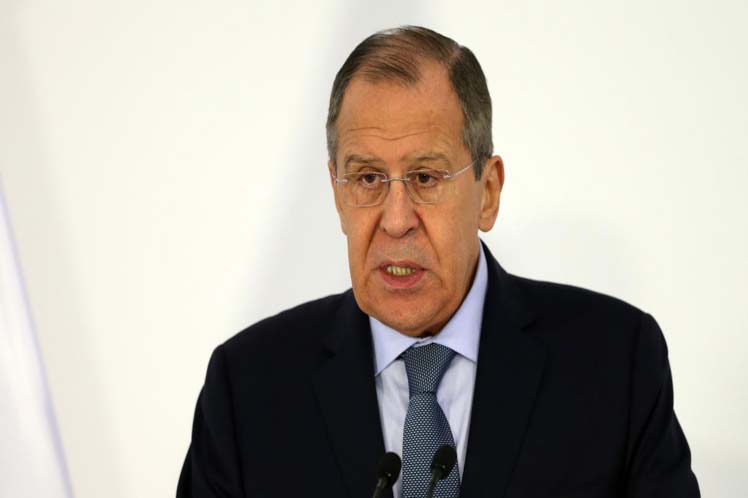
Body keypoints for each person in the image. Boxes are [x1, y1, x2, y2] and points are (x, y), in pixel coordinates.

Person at [177, 26, 700, 498]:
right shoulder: (247, 389)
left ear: (488, 192)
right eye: (367, 178)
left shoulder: (615, 363)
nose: (395, 220)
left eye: (425, 177)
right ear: (337, 195)